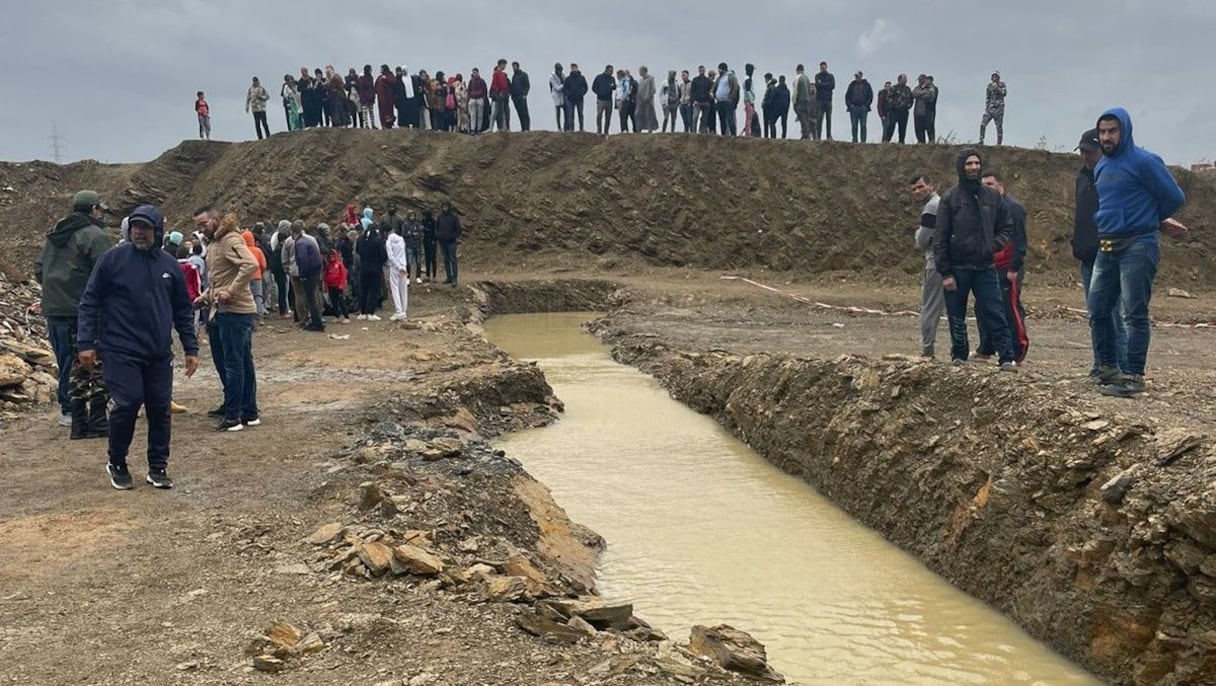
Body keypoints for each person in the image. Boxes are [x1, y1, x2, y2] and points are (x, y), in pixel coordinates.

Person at [76, 205, 198, 490]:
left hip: (158, 352)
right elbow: (89, 301)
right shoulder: (112, 260)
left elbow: (182, 309)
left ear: (158, 231)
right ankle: (117, 460)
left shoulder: (170, 266)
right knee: (129, 402)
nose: (140, 232)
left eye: (145, 228)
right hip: (120, 348)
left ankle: (158, 467)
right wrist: (85, 342)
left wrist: (190, 347)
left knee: (159, 408)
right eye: (135, 227)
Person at [1088, 108, 1187, 397]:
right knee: (1098, 309)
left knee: (1134, 313)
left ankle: (1133, 376)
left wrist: (1151, 218)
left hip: (1138, 244)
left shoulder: (1145, 162)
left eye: (1112, 131)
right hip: (1106, 245)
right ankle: (1107, 367)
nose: (1106, 137)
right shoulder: (1101, 167)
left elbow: (1175, 197)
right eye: (1102, 132)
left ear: (1125, 131)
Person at [35, 190, 113, 433]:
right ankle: (94, 416)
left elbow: (39, 269)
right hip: (83, 310)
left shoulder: (55, 234)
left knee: (65, 360)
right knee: (91, 361)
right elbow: (106, 273)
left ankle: (69, 411)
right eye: (99, 209)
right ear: (93, 210)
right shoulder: (94, 235)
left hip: (54, 309)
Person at [931, 149, 1017, 369]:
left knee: (994, 312)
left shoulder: (992, 197)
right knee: (956, 315)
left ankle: (1007, 358)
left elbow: (1006, 226)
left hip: (985, 267)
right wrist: (946, 272)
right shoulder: (950, 198)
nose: (973, 167)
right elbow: (939, 237)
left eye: (977, 163)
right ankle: (959, 355)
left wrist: (992, 245)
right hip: (958, 267)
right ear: (961, 167)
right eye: (969, 163)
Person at [193, 208, 259, 431]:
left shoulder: (230, 239)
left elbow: (250, 265)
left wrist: (231, 291)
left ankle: (234, 415)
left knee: (234, 363)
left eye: (203, 223)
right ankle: (245, 409)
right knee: (233, 361)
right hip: (219, 309)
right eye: (198, 225)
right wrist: (205, 296)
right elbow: (218, 279)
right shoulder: (214, 243)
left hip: (234, 311)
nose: (201, 229)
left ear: (215, 220)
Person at [1072, 128, 1127, 378]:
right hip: (1087, 256)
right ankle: (1101, 364)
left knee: (1113, 314)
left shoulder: (1114, 176)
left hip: (1110, 253)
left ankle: (1122, 366)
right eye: (1082, 150)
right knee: (1096, 314)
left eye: (1089, 151)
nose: (1085, 155)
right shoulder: (1082, 177)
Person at [975, 171, 1030, 363]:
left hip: (1008, 267)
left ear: (1000, 185)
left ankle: (1017, 351)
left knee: (1009, 308)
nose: (986, 188)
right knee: (982, 307)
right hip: (989, 266)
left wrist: (1014, 268)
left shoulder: (1014, 208)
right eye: (983, 185)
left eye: (990, 184)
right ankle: (986, 348)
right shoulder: (985, 208)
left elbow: (1021, 241)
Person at [909, 174, 944, 359]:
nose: (917, 191)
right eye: (914, 189)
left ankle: (927, 351)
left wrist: (917, 234)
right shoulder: (940, 203)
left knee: (929, 308)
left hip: (935, 263)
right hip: (946, 262)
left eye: (920, 186)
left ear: (930, 185)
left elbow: (922, 241)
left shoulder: (931, 207)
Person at [355, 217, 386, 320]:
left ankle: (363, 312)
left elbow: (358, 251)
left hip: (363, 268)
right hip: (375, 268)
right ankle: (371, 312)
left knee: (363, 290)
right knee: (373, 290)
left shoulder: (360, 239)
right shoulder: (378, 240)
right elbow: (383, 255)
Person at [385, 220, 410, 321]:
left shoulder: (388, 241)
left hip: (394, 267)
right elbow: (403, 253)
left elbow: (390, 256)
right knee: (403, 289)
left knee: (395, 289)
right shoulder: (401, 239)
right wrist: (403, 266)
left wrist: (397, 266)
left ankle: (399, 311)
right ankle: (404, 310)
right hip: (403, 265)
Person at [242, 230, 267, 322]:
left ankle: (249, 317)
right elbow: (263, 264)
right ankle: (260, 317)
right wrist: (261, 272)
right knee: (258, 296)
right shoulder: (258, 250)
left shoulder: (242, 251)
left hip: (245, 277)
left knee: (248, 297)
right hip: (257, 277)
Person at [436, 202, 462, 287]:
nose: (445, 208)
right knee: (446, 260)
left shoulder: (454, 218)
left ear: (449, 208)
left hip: (451, 242)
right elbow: (436, 228)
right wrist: (438, 235)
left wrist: (453, 236)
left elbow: (458, 230)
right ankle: (449, 277)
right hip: (442, 242)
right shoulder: (439, 217)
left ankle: (454, 279)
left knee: (453, 260)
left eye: (446, 207)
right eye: (444, 207)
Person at [323, 249, 351, 324]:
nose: (331, 257)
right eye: (330, 255)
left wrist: (341, 285)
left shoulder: (339, 265)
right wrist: (325, 286)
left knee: (341, 301)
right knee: (333, 302)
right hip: (330, 286)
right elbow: (325, 277)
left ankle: (346, 316)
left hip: (338, 286)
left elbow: (343, 275)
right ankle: (336, 315)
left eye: (333, 255)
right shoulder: (328, 266)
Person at [844, 71, 872, 143]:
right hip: (854, 108)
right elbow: (847, 96)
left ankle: (863, 141)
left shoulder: (866, 85)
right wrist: (850, 105)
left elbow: (870, 96)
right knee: (854, 125)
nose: (857, 77)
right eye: (856, 76)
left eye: (858, 76)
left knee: (863, 125)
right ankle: (854, 140)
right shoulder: (852, 85)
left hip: (863, 108)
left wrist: (866, 105)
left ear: (861, 76)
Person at [979, 72, 1006, 146]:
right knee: (983, 124)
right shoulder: (989, 86)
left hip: (999, 108)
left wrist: (997, 88)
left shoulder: (1002, 84)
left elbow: (1004, 93)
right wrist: (987, 107)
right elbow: (987, 97)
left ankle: (999, 143)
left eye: (996, 76)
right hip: (990, 109)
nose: (994, 78)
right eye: (993, 76)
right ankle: (981, 139)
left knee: (999, 127)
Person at [714, 63, 739, 136]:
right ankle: (723, 134)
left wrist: (731, 97)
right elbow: (714, 86)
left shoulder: (731, 76)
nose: (718, 71)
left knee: (729, 118)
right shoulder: (719, 78)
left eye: (719, 69)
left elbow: (735, 87)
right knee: (721, 119)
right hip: (719, 101)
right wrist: (712, 92)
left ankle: (733, 134)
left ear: (722, 69)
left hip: (727, 101)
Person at [563, 63, 588, 132]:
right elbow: (565, 89)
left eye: (575, 68)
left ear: (577, 68)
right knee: (571, 114)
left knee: (580, 114)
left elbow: (585, 87)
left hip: (579, 99)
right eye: (572, 68)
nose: (574, 69)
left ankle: (581, 128)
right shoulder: (568, 79)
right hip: (570, 99)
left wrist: (581, 93)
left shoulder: (582, 78)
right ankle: (571, 129)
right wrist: (569, 94)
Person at [814, 61, 835, 140]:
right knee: (819, 118)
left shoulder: (831, 76)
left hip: (828, 100)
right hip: (819, 100)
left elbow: (832, 86)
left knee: (828, 118)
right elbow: (817, 85)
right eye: (821, 68)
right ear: (820, 68)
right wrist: (826, 84)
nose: (823, 69)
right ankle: (818, 136)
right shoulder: (817, 76)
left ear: (826, 67)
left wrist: (822, 84)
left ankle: (829, 136)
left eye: (824, 67)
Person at [793, 64, 815, 140]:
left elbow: (796, 90)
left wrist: (794, 101)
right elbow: (809, 90)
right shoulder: (807, 78)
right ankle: (807, 134)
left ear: (797, 70)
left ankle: (805, 134)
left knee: (801, 117)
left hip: (800, 100)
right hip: (807, 101)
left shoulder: (798, 78)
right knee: (806, 118)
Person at [592, 65, 616, 135]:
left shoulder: (612, 78)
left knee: (608, 117)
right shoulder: (599, 77)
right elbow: (594, 87)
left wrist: (612, 86)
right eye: (610, 71)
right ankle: (599, 130)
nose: (611, 72)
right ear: (606, 70)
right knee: (599, 115)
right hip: (600, 100)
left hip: (609, 100)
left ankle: (606, 132)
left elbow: (614, 87)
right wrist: (599, 93)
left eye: (612, 71)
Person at [402, 211, 424, 283]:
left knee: (419, 262)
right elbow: (404, 234)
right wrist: (411, 234)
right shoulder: (405, 224)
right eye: (411, 216)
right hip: (409, 245)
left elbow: (421, 233)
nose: (412, 217)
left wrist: (416, 235)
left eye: (413, 216)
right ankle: (407, 277)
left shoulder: (417, 224)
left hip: (417, 245)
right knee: (408, 262)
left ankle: (418, 276)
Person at [690, 65, 713, 133]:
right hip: (697, 101)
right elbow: (692, 91)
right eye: (700, 70)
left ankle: (701, 130)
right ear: (698, 71)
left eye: (703, 70)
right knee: (695, 117)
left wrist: (709, 99)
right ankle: (693, 132)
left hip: (706, 101)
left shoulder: (708, 81)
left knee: (704, 118)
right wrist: (693, 100)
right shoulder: (695, 80)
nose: (701, 71)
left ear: (704, 71)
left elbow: (711, 90)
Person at [635, 66, 658, 133]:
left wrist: (647, 97)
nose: (639, 72)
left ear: (643, 71)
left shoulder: (651, 78)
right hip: (640, 101)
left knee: (648, 115)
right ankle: (639, 128)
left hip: (648, 101)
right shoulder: (640, 80)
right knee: (638, 114)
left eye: (640, 71)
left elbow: (653, 90)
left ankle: (649, 128)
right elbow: (639, 91)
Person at [490, 59, 511, 132]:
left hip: (504, 94)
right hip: (499, 93)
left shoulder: (502, 74)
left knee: (504, 111)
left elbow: (505, 84)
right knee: (499, 111)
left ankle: (505, 127)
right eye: (504, 64)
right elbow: (495, 84)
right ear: (501, 64)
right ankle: (500, 127)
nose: (505, 66)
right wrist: (498, 92)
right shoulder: (496, 73)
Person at [510, 61, 531, 131]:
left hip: (522, 97)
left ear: (518, 66)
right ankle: (523, 128)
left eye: (515, 66)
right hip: (515, 98)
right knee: (519, 113)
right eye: (513, 67)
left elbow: (527, 85)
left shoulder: (524, 74)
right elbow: (512, 87)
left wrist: (525, 94)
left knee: (524, 112)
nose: (514, 68)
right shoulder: (514, 76)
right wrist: (512, 96)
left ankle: (527, 128)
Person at [466, 68, 488, 135]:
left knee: (480, 115)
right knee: (473, 115)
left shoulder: (482, 81)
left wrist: (484, 98)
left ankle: (478, 129)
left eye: (475, 72)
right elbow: (469, 90)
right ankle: (473, 129)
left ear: (478, 73)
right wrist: (468, 99)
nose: (474, 74)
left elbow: (485, 90)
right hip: (472, 99)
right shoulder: (471, 81)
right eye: (473, 73)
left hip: (480, 98)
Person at [374, 65, 397, 129]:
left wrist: (386, 79)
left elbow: (393, 83)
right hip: (381, 98)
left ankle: (389, 124)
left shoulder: (390, 75)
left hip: (389, 97)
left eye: (382, 69)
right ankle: (383, 124)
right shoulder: (379, 77)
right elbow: (375, 86)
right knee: (382, 111)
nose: (381, 70)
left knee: (389, 110)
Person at [616, 69, 636, 133]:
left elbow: (627, 91)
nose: (617, 76)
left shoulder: (625, 81)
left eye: (618, 75)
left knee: (624, 115)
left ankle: (625, 129)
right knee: (621, 116)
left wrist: (622, 99)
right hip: (618, 100)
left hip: (624, 100)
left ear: (620, 75)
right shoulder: (619, 82)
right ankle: (623, 129)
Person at [421, 209, 438, 282]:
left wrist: (434, 240)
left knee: (433, 259)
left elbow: (435, 231)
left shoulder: (433, 221)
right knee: (427, 258)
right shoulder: (424, 220)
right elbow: (423, 230)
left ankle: (434, 276)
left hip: (432, 240)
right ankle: (428, 275)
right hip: (426, 240)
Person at [548, 63, 565, 129]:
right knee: (558, 112)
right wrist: (564, 85)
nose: (560, 72)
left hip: (563, 95)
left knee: (566, 111)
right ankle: (559, 127)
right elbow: (557, 88)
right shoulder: (552, 77)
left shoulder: (563, 75)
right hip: (556, 95)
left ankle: (566, 126)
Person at [741, 65, 756, 137]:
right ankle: (748, 133)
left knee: (749, 117)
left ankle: (748, 132)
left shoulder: (746, 78)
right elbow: (748, 90)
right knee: (749, 117)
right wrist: (751, 101)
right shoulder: (748, 79)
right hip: (748, 100)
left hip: (747, 100)